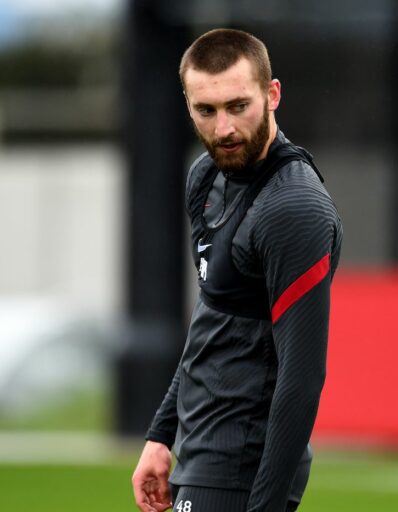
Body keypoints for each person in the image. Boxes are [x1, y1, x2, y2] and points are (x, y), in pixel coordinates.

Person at [131, 28, 343, 512]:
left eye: (238, 106)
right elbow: (212, 323)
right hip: (199, 450)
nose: (223, 128)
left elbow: (302, 378)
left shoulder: (294, 208)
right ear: (188, 106)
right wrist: (163, 435)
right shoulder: (205, 176)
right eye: (206, 111)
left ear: (272, 95)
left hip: (243, 466)